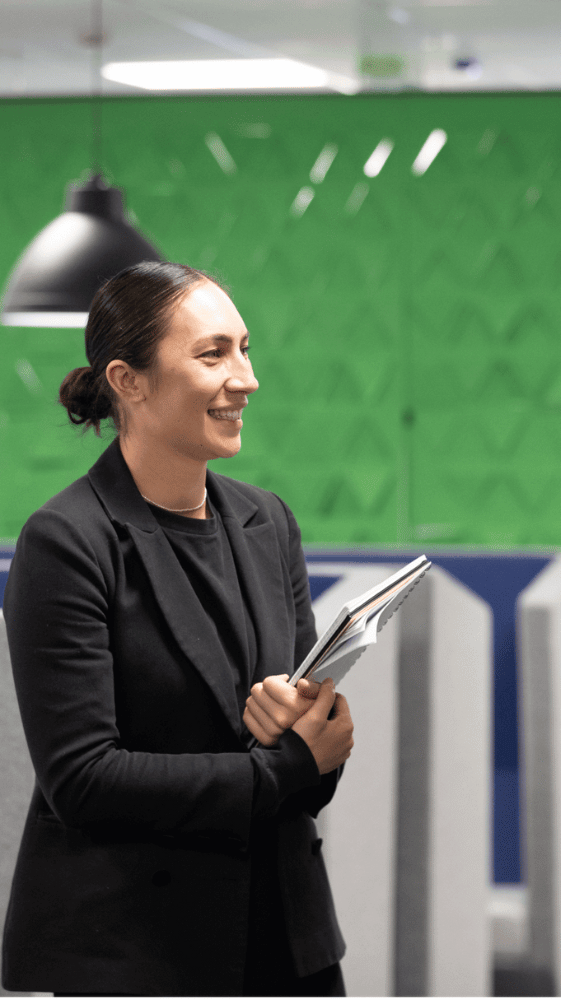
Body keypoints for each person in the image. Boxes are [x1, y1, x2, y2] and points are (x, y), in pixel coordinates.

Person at [1, 262, 355, 996]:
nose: (245, 377)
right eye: (212, 353)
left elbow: (301, 745)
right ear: (128, 380)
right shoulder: (67, 541)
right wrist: (285, 765)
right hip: (136, 954)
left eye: (245, 348)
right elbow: (84, 779)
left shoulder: (268, 522)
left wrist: (319, 736)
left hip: (288, 944)